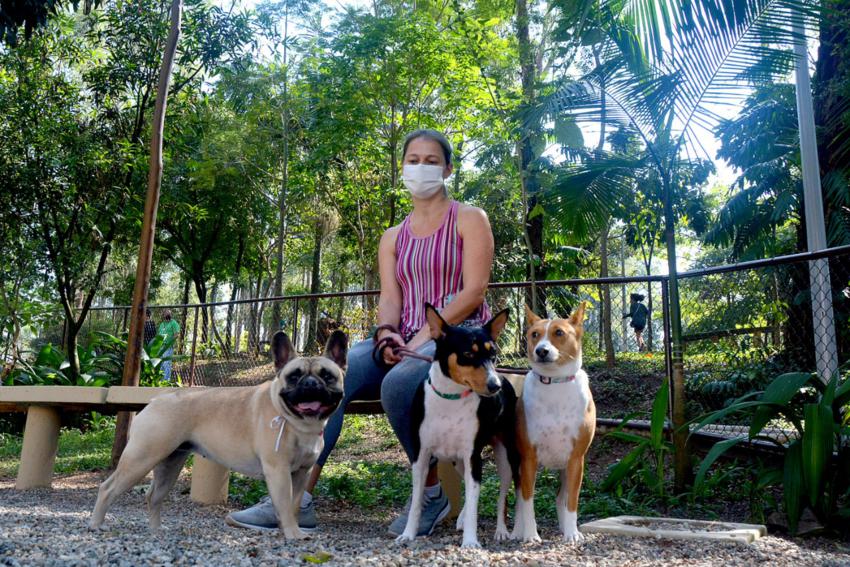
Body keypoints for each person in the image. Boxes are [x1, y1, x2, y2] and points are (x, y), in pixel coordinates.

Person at [226, 129, 495, 536]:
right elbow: (391, 296)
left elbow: (474, 290)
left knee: (399, 386)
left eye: (431, 160)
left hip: (456, 346)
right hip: (402, 338)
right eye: (413, 160)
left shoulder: (469, 219)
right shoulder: (393, 237)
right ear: (402, 166)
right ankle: (297, 499)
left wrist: (422, 339)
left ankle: (430, 494)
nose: (420, 167)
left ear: (448, 168)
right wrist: (387, 332)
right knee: (331, 374)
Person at [156, 310, 180, 382]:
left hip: (168, 347)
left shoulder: (173, 323)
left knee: (167, 364)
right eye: (165, 313)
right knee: (161, 364)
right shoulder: (162, 324)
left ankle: (166, 381)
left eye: (168, 313)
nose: (167, 314)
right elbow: (159, 335)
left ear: (170, 315)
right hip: (161, 347)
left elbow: (176, 334)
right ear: (163, 315)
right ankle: (160, 381)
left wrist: (170, 342)